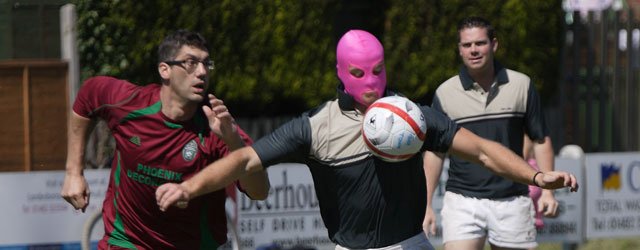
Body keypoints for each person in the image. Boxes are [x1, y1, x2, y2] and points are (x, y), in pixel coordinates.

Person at [155, 29, 578, 250]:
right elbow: (246, 161)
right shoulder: (315, 127)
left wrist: (535, 178)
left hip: (411, 243)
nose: (371, 83)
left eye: (377, 70)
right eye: (359, 73)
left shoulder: (412, 118)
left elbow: (483, 150)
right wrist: (189, 186)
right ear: (341, 72)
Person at [60, 30, 270, 249]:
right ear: (164, 69)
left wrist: (234, 141)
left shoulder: (218, 127)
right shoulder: (130, 103)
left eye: (206, 64)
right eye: (190, 62)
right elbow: (88, 96)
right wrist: (73, 171)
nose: (201, 72)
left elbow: (260, 191)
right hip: (127, 241)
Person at [423, 16, 559, 250]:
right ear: (459, 50)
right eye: (467, 45)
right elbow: (435, 154)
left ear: (494, 44)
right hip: (463, 200)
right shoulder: (444, 93)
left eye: (480, 43)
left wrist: (548, 193)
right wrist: (426, 204)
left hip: (513, 198)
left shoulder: (521, 85)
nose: (473, 50)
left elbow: (540, 138)